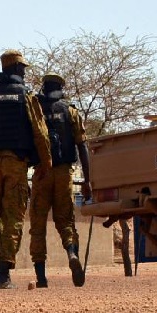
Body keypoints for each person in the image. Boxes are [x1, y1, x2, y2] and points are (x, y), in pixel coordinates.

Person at [0, 49, 52, 289]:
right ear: (16, 69)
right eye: (23, 69)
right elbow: (41, 134)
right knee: (13, 215)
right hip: (16, 164)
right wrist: (46, 165)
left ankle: (0, 268)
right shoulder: (27, 96)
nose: (24, 73)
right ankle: (3, 272)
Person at [29, 72, 92, 288]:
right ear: (61, 88)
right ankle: (71, 254)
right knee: (65, 221)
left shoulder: (35, 110)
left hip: (41, 173)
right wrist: (88, 180)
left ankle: (41, 277)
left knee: (38, 225)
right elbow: (82, 145)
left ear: (44, 87)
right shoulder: (70, 111)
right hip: (65, 173)